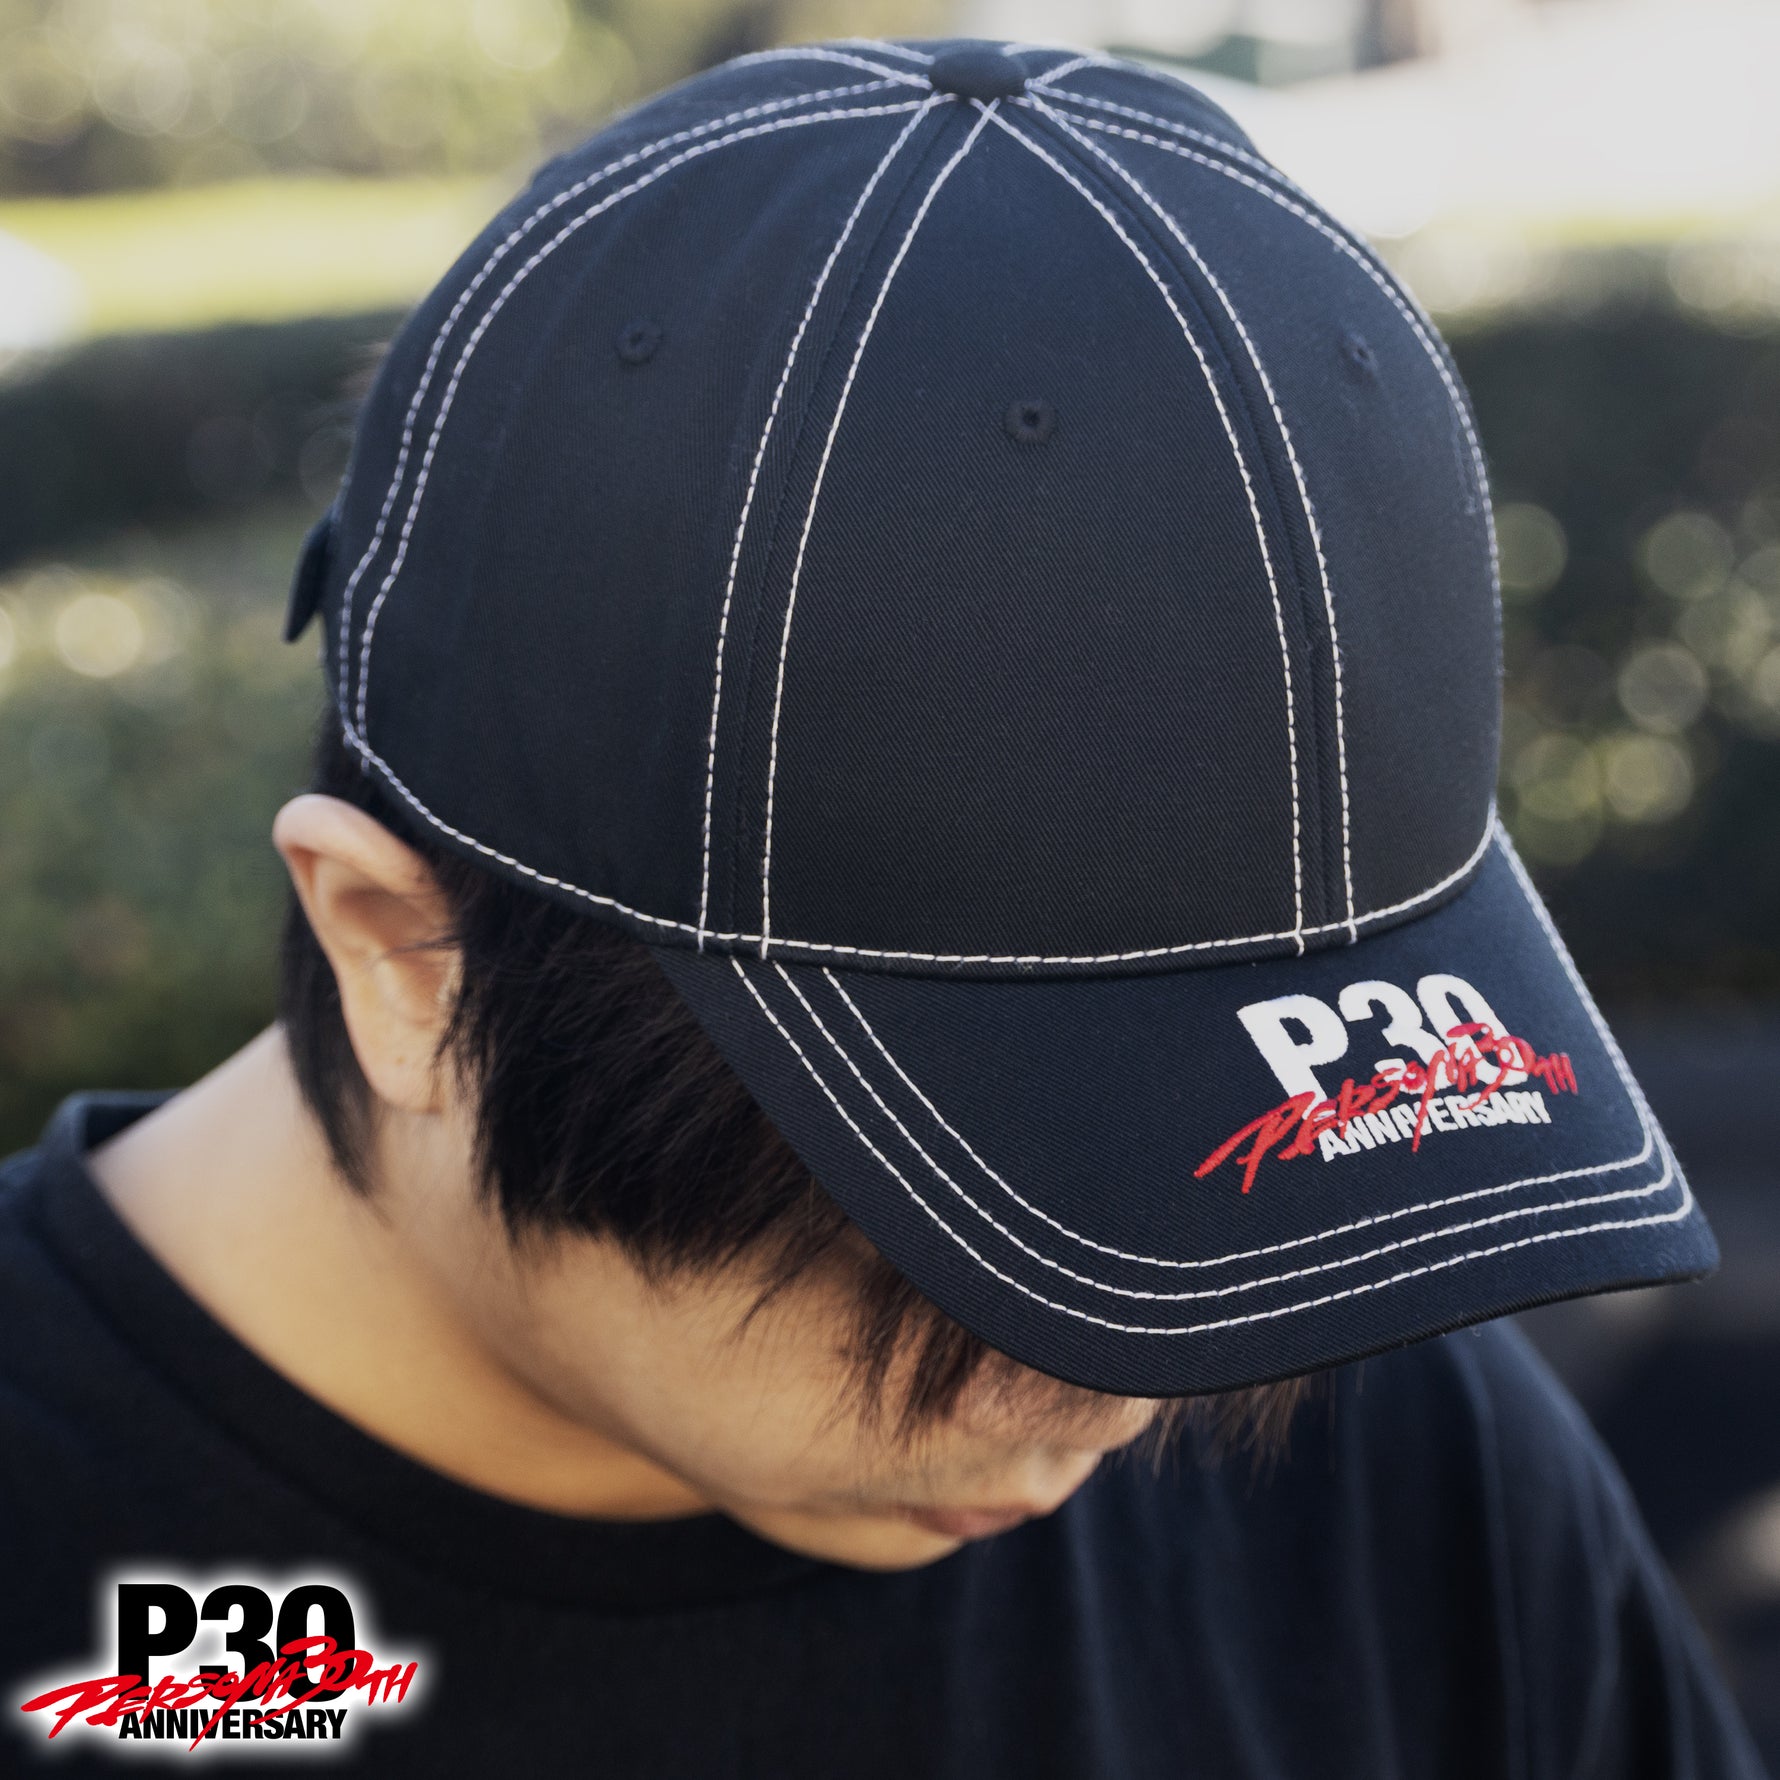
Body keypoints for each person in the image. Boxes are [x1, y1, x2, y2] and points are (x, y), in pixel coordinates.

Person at [1, 36, 1765, 1778]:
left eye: (1198, 1183)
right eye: (945, 1237)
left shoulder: (1384, 1454)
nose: (1111, 1398)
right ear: (407, 957)